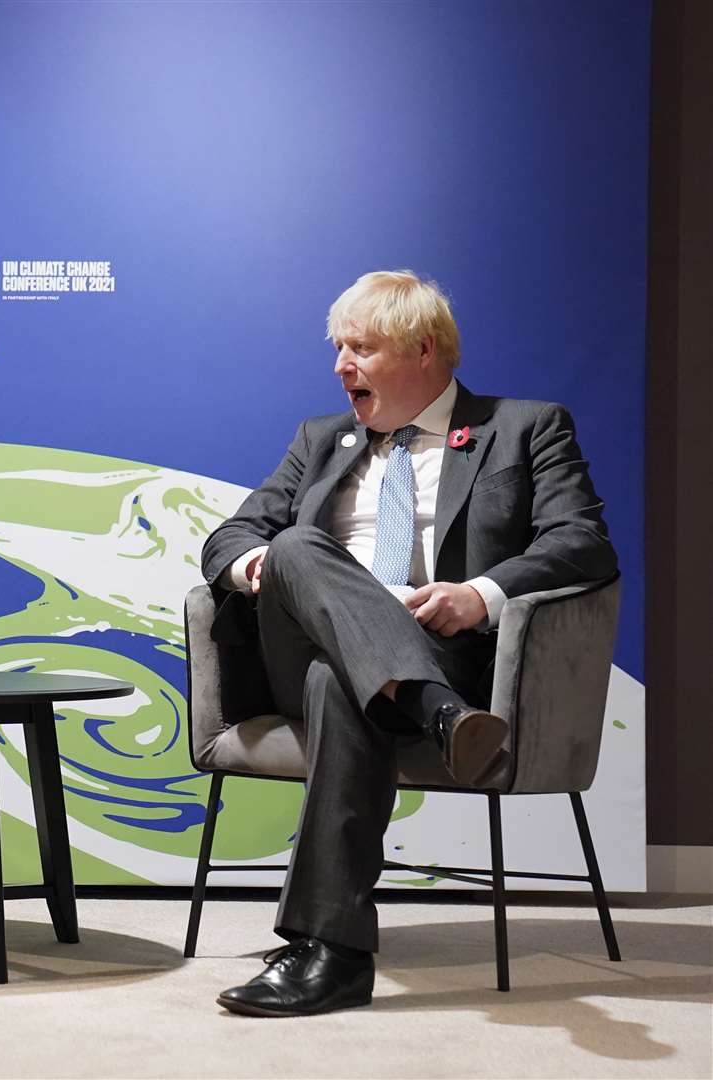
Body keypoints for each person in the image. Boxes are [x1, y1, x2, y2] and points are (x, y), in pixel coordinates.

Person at [199, 270, 615, 1017]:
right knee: (293, 545)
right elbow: (231, 533)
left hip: (440, 650)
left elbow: (582, 542)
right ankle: (440, 716)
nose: (340, 365)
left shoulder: (524, 428)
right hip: (311, 651)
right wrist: (261, 565)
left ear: (423, 351)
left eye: (359, 347)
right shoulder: (321, 439)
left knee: (341, 682)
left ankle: (332, 954)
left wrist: (479, 595)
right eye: (338, 348)